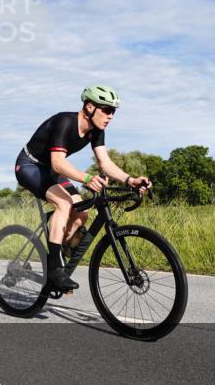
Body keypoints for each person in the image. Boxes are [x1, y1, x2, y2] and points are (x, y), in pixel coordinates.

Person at [16, 85, 151, 292]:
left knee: (82, 212)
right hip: (29, 166)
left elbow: (105, 163)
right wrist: (86, 178)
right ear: (89, 107)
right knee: (63, 203)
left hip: (51, 171)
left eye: (113, 111)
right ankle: (54, 269)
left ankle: (59, 249)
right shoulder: (65, 122)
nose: (111, 116)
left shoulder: (97, 131)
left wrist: (130, 180)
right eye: (106, 110)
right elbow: (58, 163)